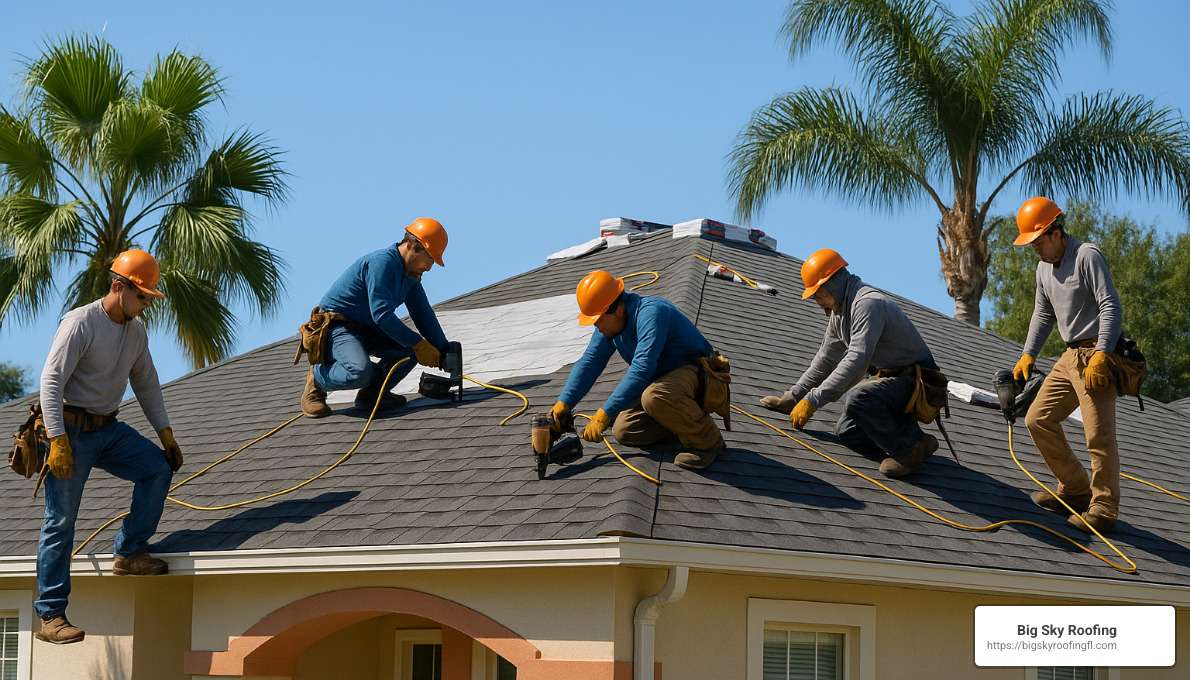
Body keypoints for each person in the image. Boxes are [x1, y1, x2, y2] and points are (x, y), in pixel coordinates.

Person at [35, 250, 182, 644]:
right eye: (142, 296)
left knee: (156, 468)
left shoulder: (136, 332)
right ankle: (50, 616)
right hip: (69, 428)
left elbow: (147, 384)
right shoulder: (81, 322)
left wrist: (165, 434)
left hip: (108, 429)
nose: (147, 303)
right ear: (119, 286)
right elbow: (50, 382)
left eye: (150, 297)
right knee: (61, 521)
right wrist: (57, 440)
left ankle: (130, 552)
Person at [759, 248, 940, 478]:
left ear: (833, 283)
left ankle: (908, 451)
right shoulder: (839, 311)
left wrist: (813, 400)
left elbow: (857, 360)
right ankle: (916, 439)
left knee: (858, 398)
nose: (817, 302)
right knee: (846, 431)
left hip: (916, 382)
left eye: (817, 294)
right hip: (891, 381)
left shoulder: (867, 304)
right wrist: (794, 396)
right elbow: (826, 358)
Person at [1011, 196, 1123, 534]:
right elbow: (1043, 315)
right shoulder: (1043, 269)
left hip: (1097, 355)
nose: (1035, 249)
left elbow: (1111, 306)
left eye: (1037, 241)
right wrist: (1028, 354)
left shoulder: (1086, 255)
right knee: (1037, 418)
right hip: (1070, 355)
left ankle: (1103, 507)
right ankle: (1075, 489)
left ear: (1056, 232)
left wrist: (1103, 353)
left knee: (1097, 435)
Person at [549, 270, 729, 470]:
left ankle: (708, 443)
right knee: (625, 430)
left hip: (697, 376)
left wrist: (604, 414)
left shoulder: (651, 313)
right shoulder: (612, 325)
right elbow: (590, 362)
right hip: (665, 384)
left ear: (617, 310)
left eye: (598, 320)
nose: (597, 327)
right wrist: (563, 403)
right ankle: (681, 423)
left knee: (654, 396)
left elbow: (642, 369)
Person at [301, 218, 451, 417]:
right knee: (359, 372)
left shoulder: (411, 276)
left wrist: (444, 350)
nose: (430, 267)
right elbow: (382, 315)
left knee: (410, 351)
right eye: (430, 258)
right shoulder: (382, 263)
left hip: (366, 328)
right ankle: (318, 379)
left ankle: (372, 395)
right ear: (412, 245)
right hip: (338, 328)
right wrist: (419, 344)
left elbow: (422, 314)